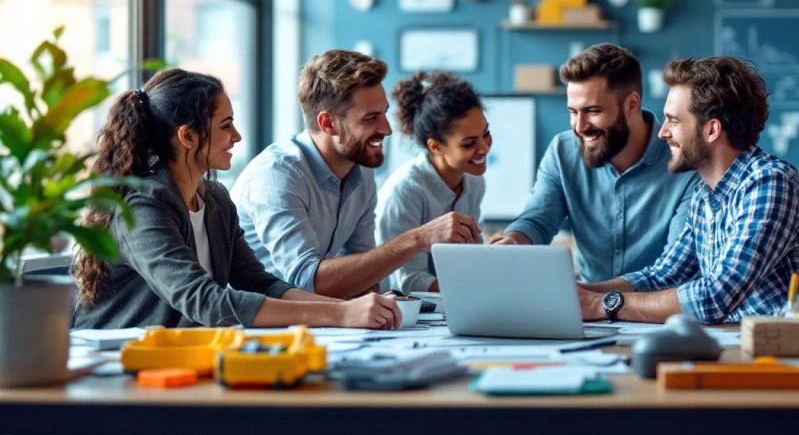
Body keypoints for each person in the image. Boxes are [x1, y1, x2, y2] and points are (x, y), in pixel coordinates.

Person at [72, 69, 401, 329]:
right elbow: (205, 301)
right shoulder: (141, 205)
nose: (237, 137)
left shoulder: (215, 199)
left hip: (178, 361)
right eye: (226, 125)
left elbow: (258, 283)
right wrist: (341, 316)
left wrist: (350, 309)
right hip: (113, 368)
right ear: (187, 136)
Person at [577, 57, 799, 324]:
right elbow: (662, 276)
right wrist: (582, 293)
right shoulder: (705, 196)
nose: (663, 133)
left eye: (673, 121)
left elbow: (713, 298)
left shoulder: (770, 184)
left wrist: (601, 305)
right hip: (754, 352)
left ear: (712, 130)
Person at [231, 51, 480, 299]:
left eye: (384, 113)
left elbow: (367, 272)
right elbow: (308, 281)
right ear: (328, 124)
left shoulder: (360, 171)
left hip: (319, 320)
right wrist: (417, 239)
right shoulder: (278, 175)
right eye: (371, 118)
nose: (387, 129)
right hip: (259, 328)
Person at [494, 44, 698, 282]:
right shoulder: (563, 152)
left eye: (592, 111)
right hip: (586, 309)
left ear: (631, 104)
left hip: (655, 310)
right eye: (573, 111)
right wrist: (513, 241)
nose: (579, 126)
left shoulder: (683, 160)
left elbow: (674, 269)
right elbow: (537, 221)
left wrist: (593, 297)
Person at [376, 72, 491, 294]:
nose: (484, 148)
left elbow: (467, 262)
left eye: (486, 134)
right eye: (468, 143)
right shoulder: (404, 191)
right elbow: (407, 281)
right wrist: (476, 289)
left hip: (449, 305)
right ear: (436, 147)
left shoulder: (475, 182)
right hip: (401, 313)